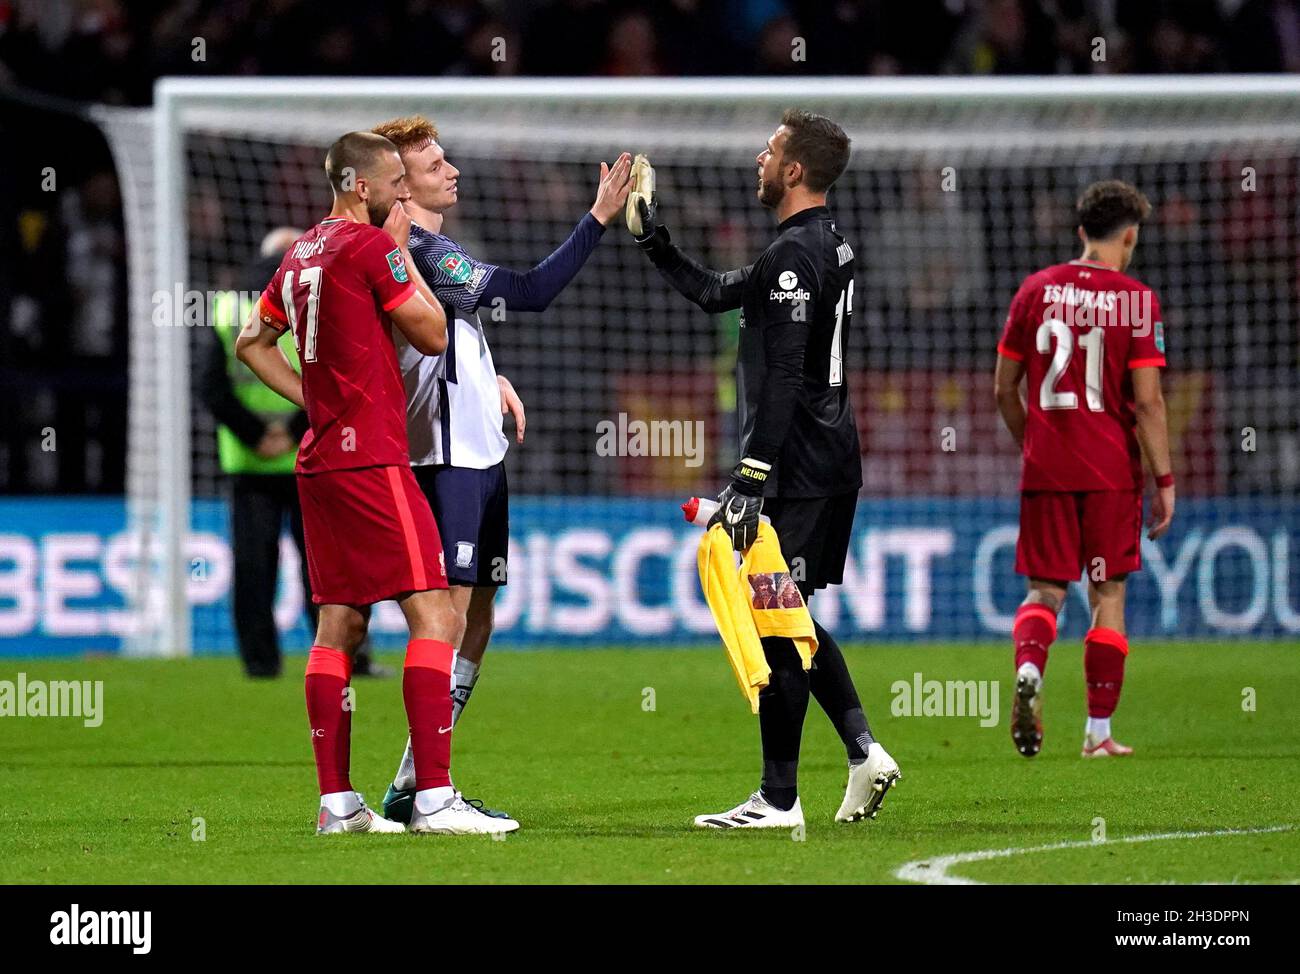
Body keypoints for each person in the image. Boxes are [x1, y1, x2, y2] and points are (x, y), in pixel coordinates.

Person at [235, 130, 516, 835]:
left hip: (318, 458)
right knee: (435, 614)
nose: (402, 193)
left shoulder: (300, 251)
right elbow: (432, 335)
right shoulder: (370, 247)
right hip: (373, 461)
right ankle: (434, 798)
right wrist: (398, 250)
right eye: (393, 181)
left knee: (338, 623)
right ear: (362, 186)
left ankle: (338, 804)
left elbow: (251, 343)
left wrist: (314, 401)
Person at [632, 109, 901, 829]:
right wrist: (654, 241)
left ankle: (779, 799)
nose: (758, 157)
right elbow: (716, 291)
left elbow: (783, 375)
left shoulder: (792, 257)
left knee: (775, 621)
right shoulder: (823, 244)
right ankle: (863, 751)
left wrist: (751, 476)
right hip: (823, 461)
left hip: (798, 469)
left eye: (771, 150)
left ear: (794, 170)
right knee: (792, 614)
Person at [366, 115, 631, 825]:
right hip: (445, 457)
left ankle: (412, 781)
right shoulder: (415, 248)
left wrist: (490, 377)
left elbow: (450, 338)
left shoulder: (431, 248)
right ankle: (433, 797)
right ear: (401, 186)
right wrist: (598, 219)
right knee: (446, 619)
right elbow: (530, 290)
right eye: (434, 164)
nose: (451, 170)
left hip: (481, 449)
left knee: (479, 614)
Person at [995, 179, 1174, 760]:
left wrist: (1035, 444)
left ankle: (1029, 670)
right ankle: (1097, 733)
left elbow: (1004, 390)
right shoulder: (1138, 300)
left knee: (1046, 590)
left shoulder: (1035, 290)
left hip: (1046, 466)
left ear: (1080, 233)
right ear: (1128, 235)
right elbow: (1147, 402)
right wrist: (1165, 480)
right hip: (1110, 472)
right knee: (1107, 594)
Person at [197, 227, 385, 678]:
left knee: (255, 568)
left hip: (250, 460)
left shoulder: (227, 308)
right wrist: (294, 429)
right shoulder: (322, 300)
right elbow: (338, 376)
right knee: (330, 568)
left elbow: (210, 387)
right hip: (313, 453)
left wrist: (255, 436)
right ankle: (345, 658)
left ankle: (261, 665)